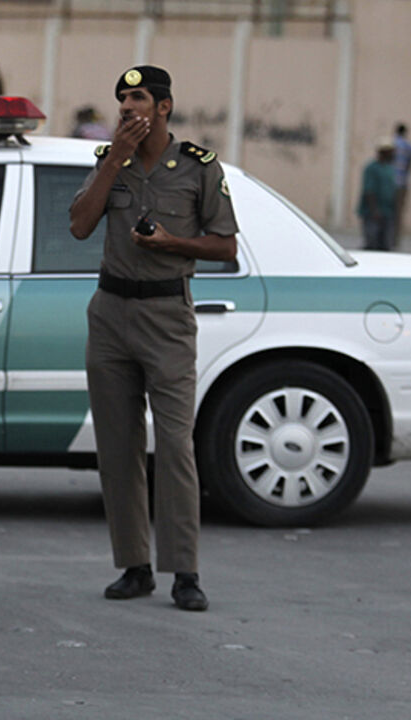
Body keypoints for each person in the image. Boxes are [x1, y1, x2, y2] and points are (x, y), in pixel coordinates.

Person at [69, 65, 238, 612]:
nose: (126, 107)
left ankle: (184, 571)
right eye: (120, 98)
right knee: (117, 448)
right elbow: (78, 224)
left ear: (163, 107)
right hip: (111, 312)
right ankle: (134, 565)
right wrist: (113, 158)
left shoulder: (198, 168)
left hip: (166, 313)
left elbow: (225, 246)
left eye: (138, 97)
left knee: (174, 446)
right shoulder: (107, 163)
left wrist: (170, 242)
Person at [357, 138, 398, 251]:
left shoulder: (389, 168)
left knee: (386, 244)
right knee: (372, 243)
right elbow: (369, 190)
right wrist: (374, 210)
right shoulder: (371, 168)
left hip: (387, 211)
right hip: (374, 213)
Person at [392, 123, 411, 231]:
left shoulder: (392, 144)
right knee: (399, 212)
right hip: (403, 183)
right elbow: (410, 165)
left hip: (391, 183)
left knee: (390, 212)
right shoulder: (409, 147)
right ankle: (396, 238)